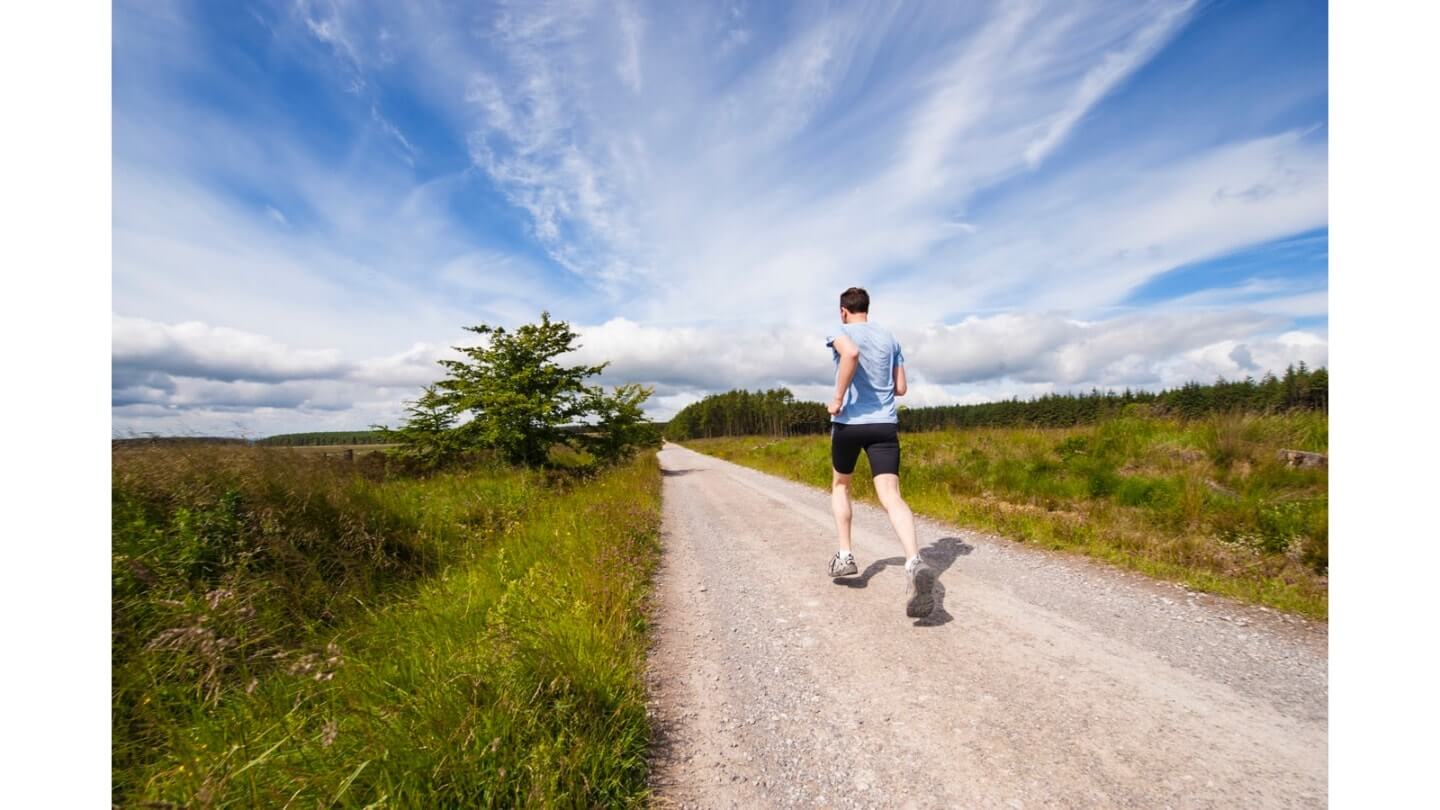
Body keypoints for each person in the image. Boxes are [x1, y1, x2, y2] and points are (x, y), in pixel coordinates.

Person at [825, 286, 935, 617]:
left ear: (843, 310)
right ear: (866, 309)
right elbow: (900, 387)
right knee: (891, 495)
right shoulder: (890, 338)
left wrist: (838, 398)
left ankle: (845, 556)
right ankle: (914, 560)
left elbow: (851, 354)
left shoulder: (839, 331)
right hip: (884, 425)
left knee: (841, 485)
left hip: (849, 424)